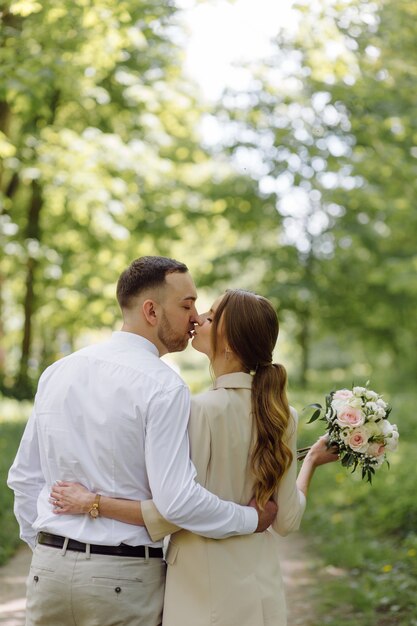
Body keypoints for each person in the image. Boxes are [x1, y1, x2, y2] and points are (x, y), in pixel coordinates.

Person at [7, 258, 277, 626]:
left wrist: (44, 549)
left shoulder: (58, 371)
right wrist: (250, 518)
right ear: (151, 310)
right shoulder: (163, 385)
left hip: (48, 574)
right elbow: (178, 501)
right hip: (123, 580)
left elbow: (24, 479)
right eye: (186, 305)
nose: (195, 317)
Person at [50, 289, 338, 626]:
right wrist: (312, 462)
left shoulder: (198, 410)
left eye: (212, 317)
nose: (198, 318)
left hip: (204, 596)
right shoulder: (282, 415)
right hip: (262, 593)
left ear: (230, 344)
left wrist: (92, 502)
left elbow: (175, 511)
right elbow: (287, 520)